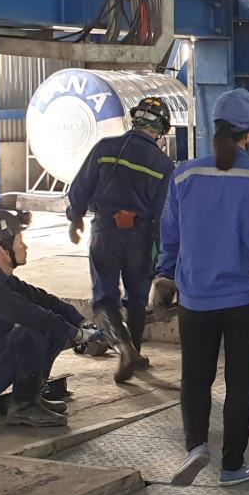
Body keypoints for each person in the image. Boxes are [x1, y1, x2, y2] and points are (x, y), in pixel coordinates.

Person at [152, 88, 249, 488]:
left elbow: (170, 236)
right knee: (240, 383)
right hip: (247, 301)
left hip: (195, 299)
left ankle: (195, 447)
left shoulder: (184, 175)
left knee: (195, 377)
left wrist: (164, 276)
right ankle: (232, 466)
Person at [0, 210, 105, 427]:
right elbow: (34, 315)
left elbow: (45, 301)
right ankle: (24, 407)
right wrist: (78, 335)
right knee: (35, 329)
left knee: (52, 327)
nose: (25, 247)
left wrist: (81, 322)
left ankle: (30, 397)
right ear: (3, 250)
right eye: (20, 241)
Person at [67, 96, 175, 382]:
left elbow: (79, 188)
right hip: (139, 239)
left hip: (104, 233)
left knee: (104, 299)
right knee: (136, 299)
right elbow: (164, 217)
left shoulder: (105, 148)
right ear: (161, 130)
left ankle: (123, 347)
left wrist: (75, 218)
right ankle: (133, 351)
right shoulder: (163, 165)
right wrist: (162, 260)